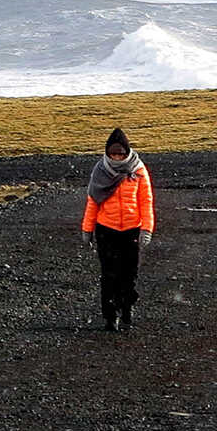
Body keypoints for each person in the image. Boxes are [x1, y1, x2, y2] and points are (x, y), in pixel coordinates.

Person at [81, 127, 153, 332]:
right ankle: (110, 316)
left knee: (129, 274)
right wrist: (87, 230)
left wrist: (146, 229)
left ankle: (127, 306)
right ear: (107, 152)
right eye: (113, 153)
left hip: (131, 230)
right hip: (106, 230)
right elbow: (93, 201)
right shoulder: (100, 170)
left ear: (127, 152)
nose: (116, 157)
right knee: (109, 274)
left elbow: (146, 201)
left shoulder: (138, 170)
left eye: (120, 153)